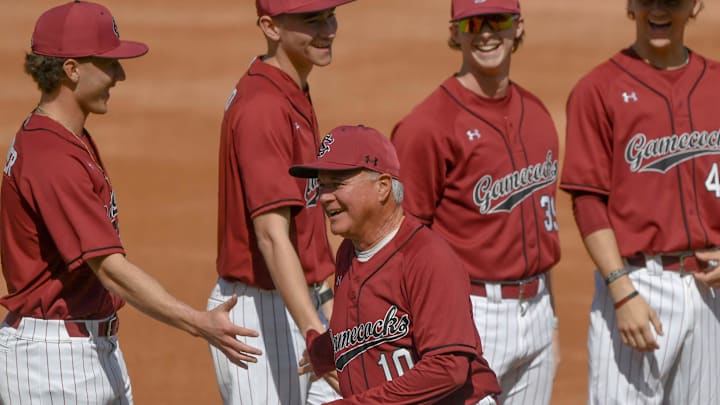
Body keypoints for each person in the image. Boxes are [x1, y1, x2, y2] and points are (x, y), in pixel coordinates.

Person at [0, 2, 261, 404]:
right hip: (52, 365)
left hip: (84, 349)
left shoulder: (66, 137)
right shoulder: (51, 157)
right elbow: (111, 270)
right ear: (71, 70)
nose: (119, 75)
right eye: (108, 64)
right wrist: (197, 322)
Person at [390, 0, 561, 403]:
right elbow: (400, 246)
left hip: (536, 311)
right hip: (469, 314)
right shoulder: (426, 127)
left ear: (517, 27)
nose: (485, 33)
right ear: (455, 33)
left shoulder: (537, 114)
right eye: (472, 23)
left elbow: (537, 224)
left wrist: (550, 321)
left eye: (497, 20)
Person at [560, 0, 720, 403]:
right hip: (636, 284)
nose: (659, 10)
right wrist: (622, 291)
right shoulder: (598, 90)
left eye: (673, 1)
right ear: (631, 5)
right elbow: (588, 200)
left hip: (711, 289)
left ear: (696, 6)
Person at [291, 125, 502, 404]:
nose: (324, 196)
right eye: (322, 185)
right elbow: (369, 329)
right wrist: (322, 351)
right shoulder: (349, 253)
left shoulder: (426, 257)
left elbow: (447, 368)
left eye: (336, 183)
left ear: (383, 187)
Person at [209, 0, 354, 403]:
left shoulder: (291, 89)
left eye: (329, 16)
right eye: (312, 20)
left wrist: (321, 299)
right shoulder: (264, 107)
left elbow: (300, 222)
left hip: (296, 299)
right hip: (262, 316)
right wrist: (315, 335)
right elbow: (272, 235)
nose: (328, 28)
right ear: (271, 27)